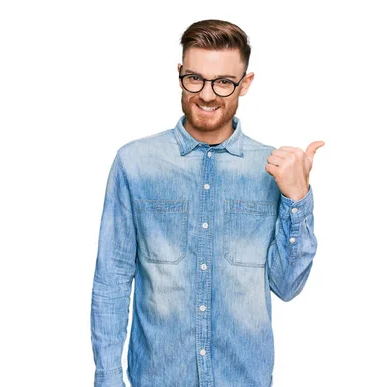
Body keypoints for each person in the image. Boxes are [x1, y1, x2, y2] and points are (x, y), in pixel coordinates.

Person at [91, 19, 324, 387]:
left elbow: (287, 286)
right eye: (195, 78)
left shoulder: (274, 168)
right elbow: (112, 280)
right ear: (180, 73)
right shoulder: (135, 163)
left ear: (244, 84)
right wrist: (107, 378)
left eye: (224, 83)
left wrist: (298, 199)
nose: (207, 94)